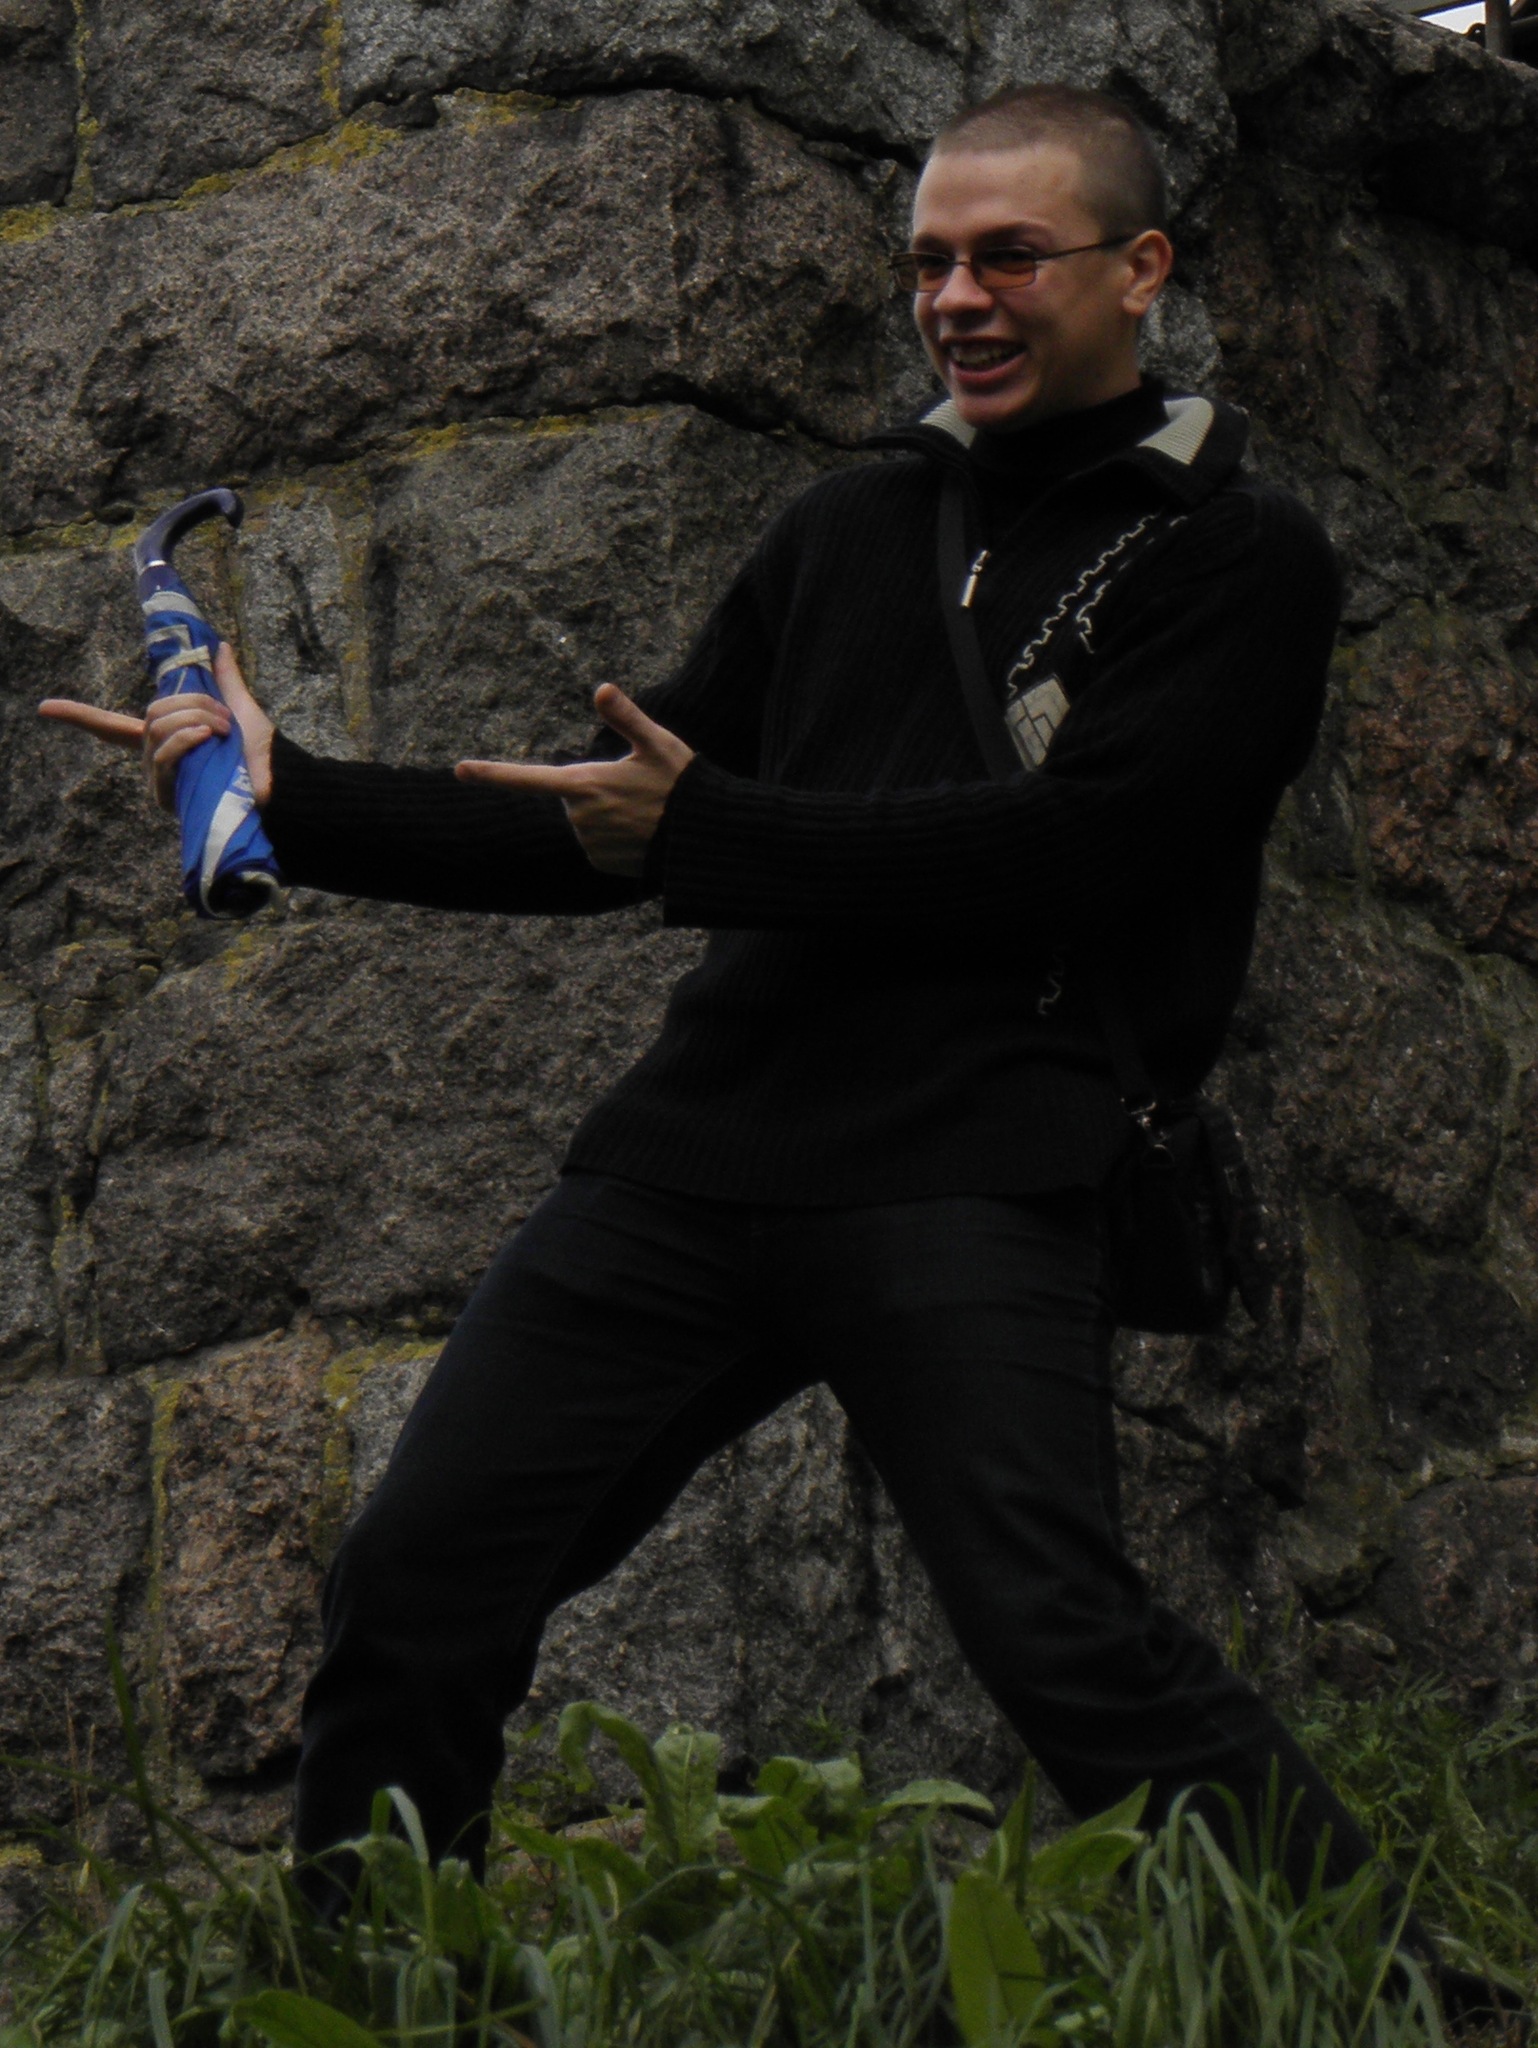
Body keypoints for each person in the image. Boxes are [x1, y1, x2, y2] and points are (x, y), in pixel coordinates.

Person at [42, 83, 1528, 2038]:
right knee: (414, 1582)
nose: (956, 299)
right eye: (929, 262)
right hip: (691, 1161)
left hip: (974, 1161)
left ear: (1140, 270)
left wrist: (713, 833)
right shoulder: (847, 525)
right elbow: (609, 819)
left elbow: (1080, 850)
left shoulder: (1238, 555)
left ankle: (1408, 2007)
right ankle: (372, 1999)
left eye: (1009, 257)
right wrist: (283, 789)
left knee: (1063, 1638)